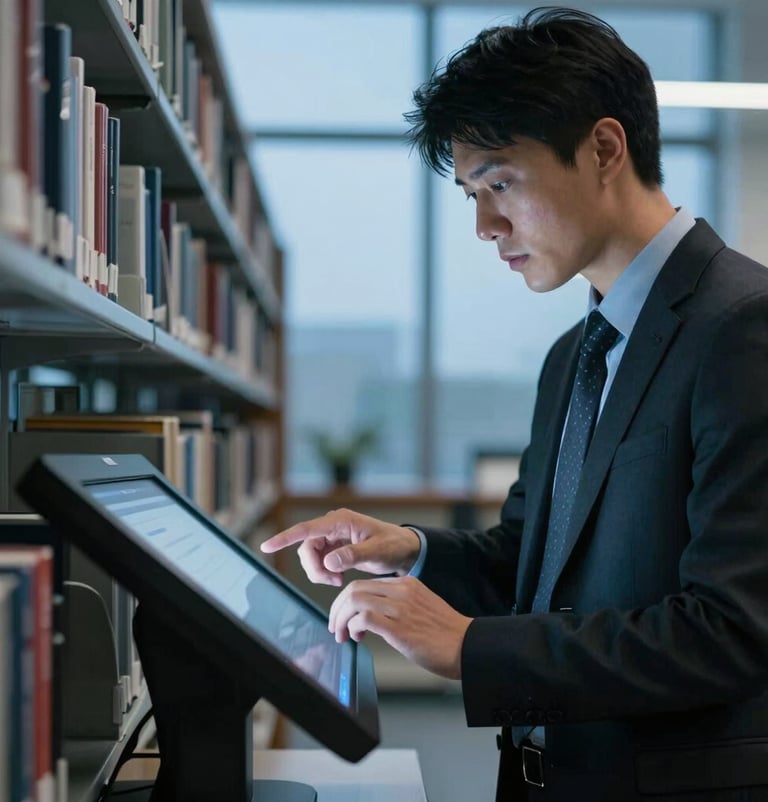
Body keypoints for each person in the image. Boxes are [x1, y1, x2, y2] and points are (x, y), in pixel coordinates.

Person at [262, 7, 768, 800]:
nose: (484, 226)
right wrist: (410, 550)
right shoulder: (578, 353)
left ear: (604, 148)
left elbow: (731, 632)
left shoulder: (743, 328)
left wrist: (469, 649)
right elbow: (535, 571)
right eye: (470, 192)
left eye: (500, 182)